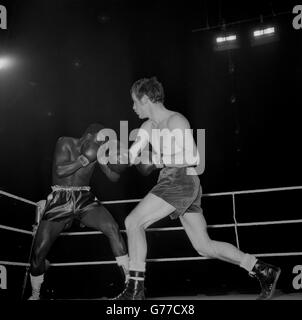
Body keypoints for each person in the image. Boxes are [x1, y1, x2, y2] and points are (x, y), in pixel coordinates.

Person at [112, 77, 281, 300]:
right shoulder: (147, 127)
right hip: (173, 181)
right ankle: (262, 269)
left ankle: (135, 290)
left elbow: (193, 156)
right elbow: (133, 156)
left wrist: (158, 158)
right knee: (204, 246)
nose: (133, 107)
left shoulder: (176, 120)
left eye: (135, 102)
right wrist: (116, 154)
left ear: (145, 99)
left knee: (133, 222)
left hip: (182, 180)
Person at [28, 123, 129, 300]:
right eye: (101, 139)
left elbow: (113, 177)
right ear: (90, 135)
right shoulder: (65, 142)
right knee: (38, 253)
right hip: (60, 198)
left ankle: (131, 286)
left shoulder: (98, 152)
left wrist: (120, 163)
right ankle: (35, 294)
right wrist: (84, 159)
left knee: (112, 228)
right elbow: (60, 171)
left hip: (84, 198)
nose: (103, 143)